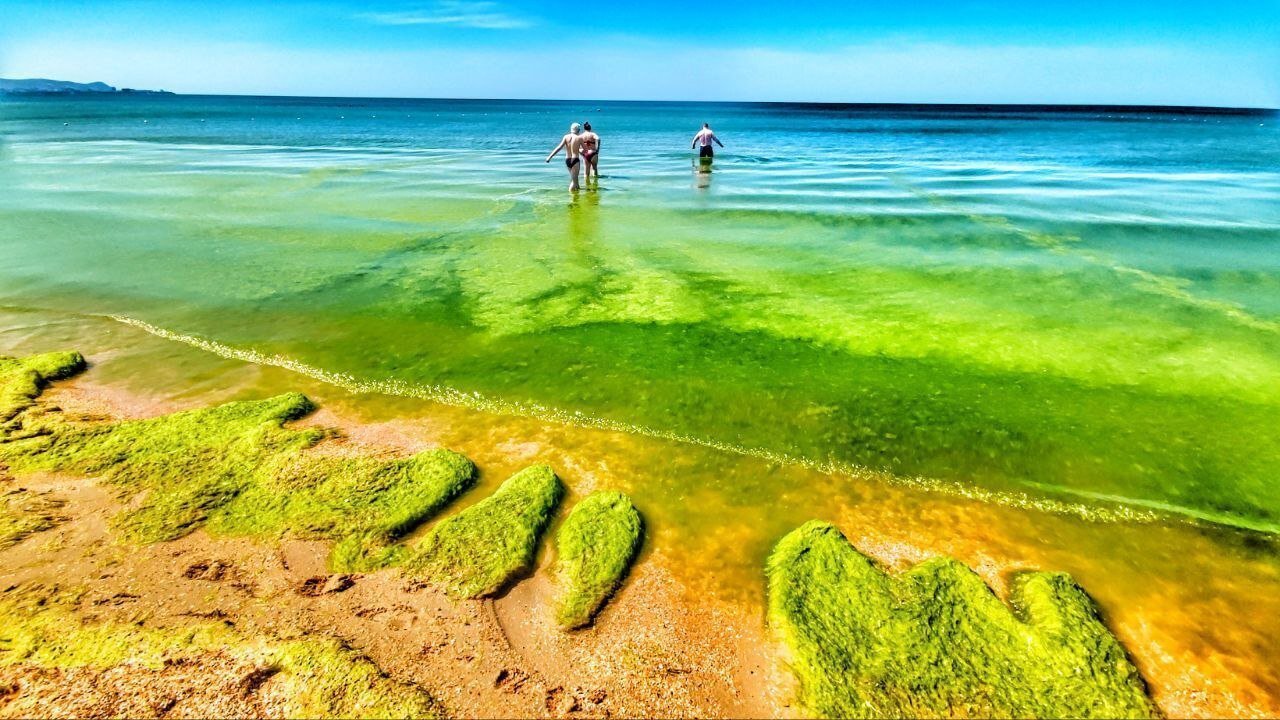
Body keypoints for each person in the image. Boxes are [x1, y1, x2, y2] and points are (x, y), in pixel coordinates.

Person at [546, 123, 584, 191]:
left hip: (568, 160)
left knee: (574, 178)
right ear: (578, 130)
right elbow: (585, 149)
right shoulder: (579, 138)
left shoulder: (566, 137)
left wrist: (550, 157)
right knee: (574, 180)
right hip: (575, 159)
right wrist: (580, 150)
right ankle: (571, 198)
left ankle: (577, 192)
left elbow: (559, 147)